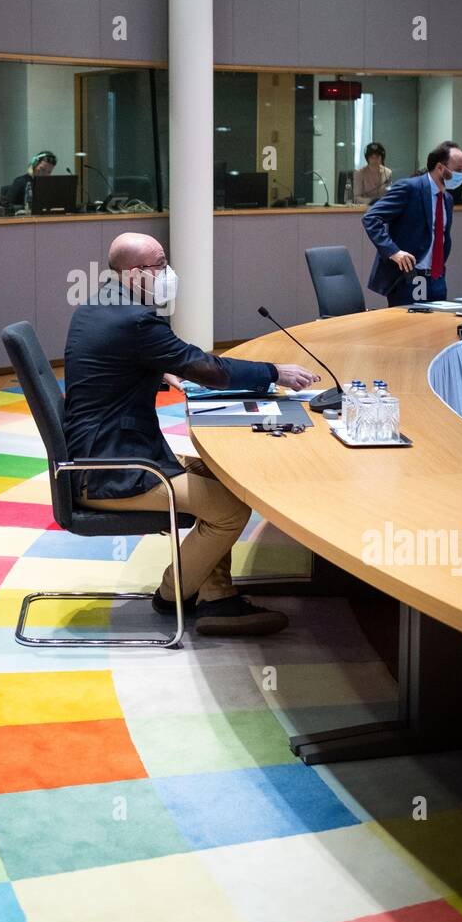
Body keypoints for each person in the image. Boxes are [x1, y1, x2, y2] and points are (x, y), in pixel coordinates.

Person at [63, 232, 321, 637]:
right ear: (133, 274)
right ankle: (172, 595)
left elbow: (115, 359)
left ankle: (217, 596)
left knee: (220, 476)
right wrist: (275, 372)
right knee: (231, 510)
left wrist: (155, 367)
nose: (168, 273)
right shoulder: (134, 319)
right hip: (111, 470)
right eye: (159, 265)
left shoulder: (100, 303)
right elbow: (205, 368)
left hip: (105, 450)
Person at [362, 140, 462, 306]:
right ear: (440, 167)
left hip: (436, 277)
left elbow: (441, 236)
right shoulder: (410, 188)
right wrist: (393, 252)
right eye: (458, 170)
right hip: (409, 278)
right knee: (408, 329)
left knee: (437, 328)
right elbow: (371, 218)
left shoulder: (447, 199)